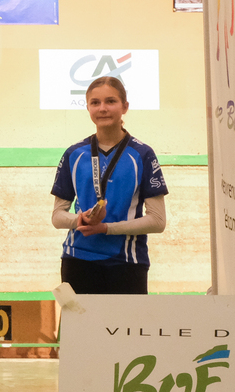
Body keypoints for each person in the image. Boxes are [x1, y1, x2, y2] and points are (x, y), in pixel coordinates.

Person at [50, 76, 168, 294]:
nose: (102, 108)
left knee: (127, 319)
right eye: (95, 102)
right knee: (80, 319)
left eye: (111, 101)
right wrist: (80, 220)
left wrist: (106, 229)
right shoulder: (74, 154)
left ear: (125, 107)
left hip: (127, 263)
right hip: (77, 261)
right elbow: (57, 216)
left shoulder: (142, 154)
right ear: (87, 107)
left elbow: (158, 221)